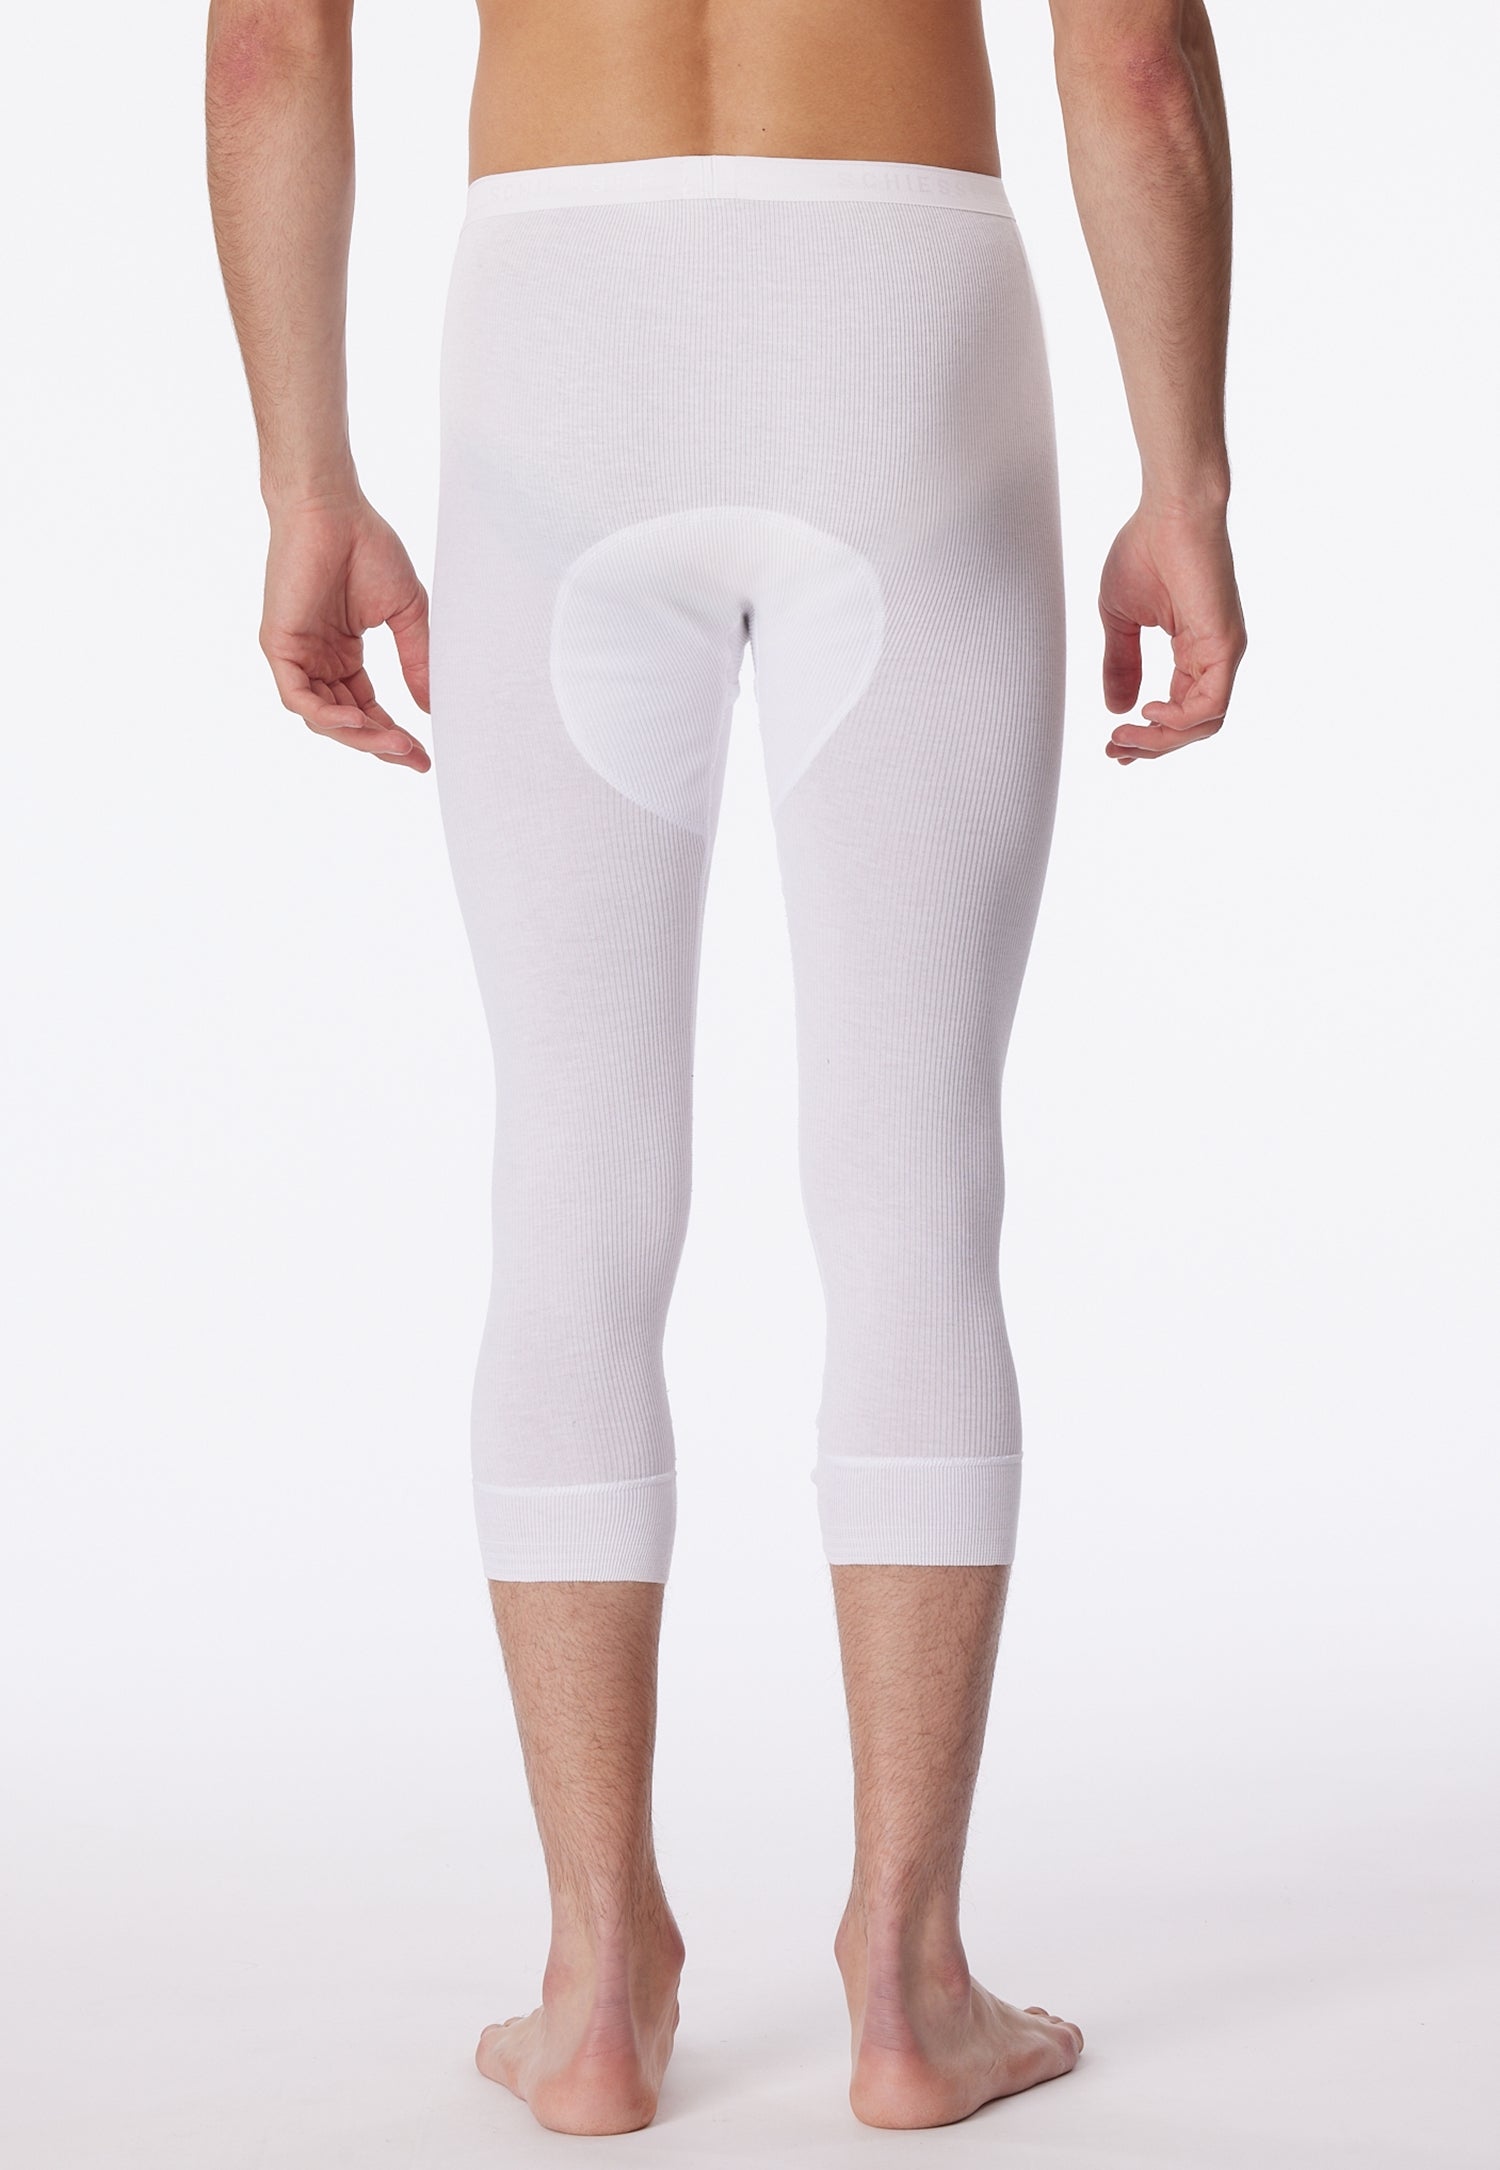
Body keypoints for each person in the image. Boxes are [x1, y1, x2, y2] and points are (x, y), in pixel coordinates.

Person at [205, 0, 1245, 2137]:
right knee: (913, 1190)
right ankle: (911, 1982)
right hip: (901, 316)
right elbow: (1134, 61)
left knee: (571, 1200)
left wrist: (305, 479)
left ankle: (594, 1984)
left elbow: (267, 52)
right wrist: (1187, 477)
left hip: (559, 330)